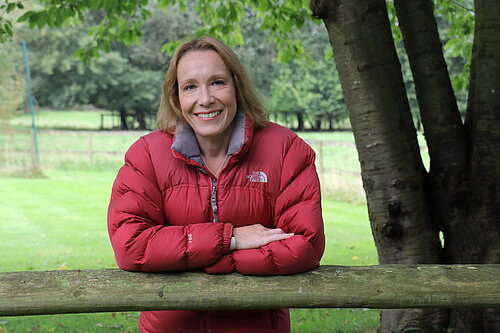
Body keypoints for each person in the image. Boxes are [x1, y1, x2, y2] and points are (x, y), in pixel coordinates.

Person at [107, 36, 325, 333]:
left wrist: (205, 258)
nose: (205, 98)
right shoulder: (146, 155)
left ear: (237, 86)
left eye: (218, 82)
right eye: (190, 86)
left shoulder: (286, 150)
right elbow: (130, 245)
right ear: (176, 97)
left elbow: (304, 245)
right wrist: (230, 238)